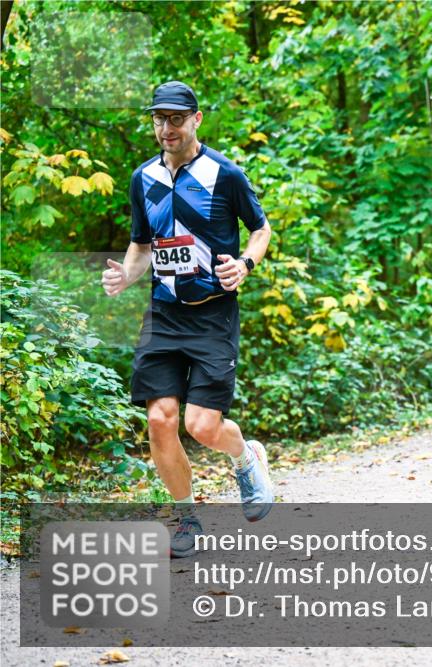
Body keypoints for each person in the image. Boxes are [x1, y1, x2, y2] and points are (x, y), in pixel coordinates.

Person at [101, 81, 274, 557]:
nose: (166, 128)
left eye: (176, 118)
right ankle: (187, 518)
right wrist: (126, 276)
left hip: (213, 315)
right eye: (159, 118)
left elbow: (261, 229)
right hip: (163, 314)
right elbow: (142, 245)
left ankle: (246, 455)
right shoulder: (143, 178)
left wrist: (245, 264)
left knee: (201, 426)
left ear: (197, 119)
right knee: (160, 419)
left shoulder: (225, 174)